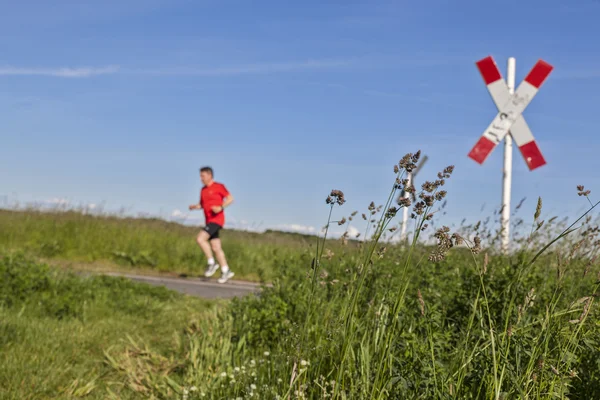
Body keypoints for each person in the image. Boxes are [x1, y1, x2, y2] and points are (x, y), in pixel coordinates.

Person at [189, 166, 235, 283]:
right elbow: (202, 205)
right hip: (209, 220)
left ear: (210, 175)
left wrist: (220, 207)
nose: (201, 178)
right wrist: (195, 207)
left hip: (217, 220)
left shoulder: (219, 187)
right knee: (216, 247)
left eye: (203, 176)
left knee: (200, 239)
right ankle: (226, 270)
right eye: (200, 176)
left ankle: (211, 263)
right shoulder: (203, 190)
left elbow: (230, 199)